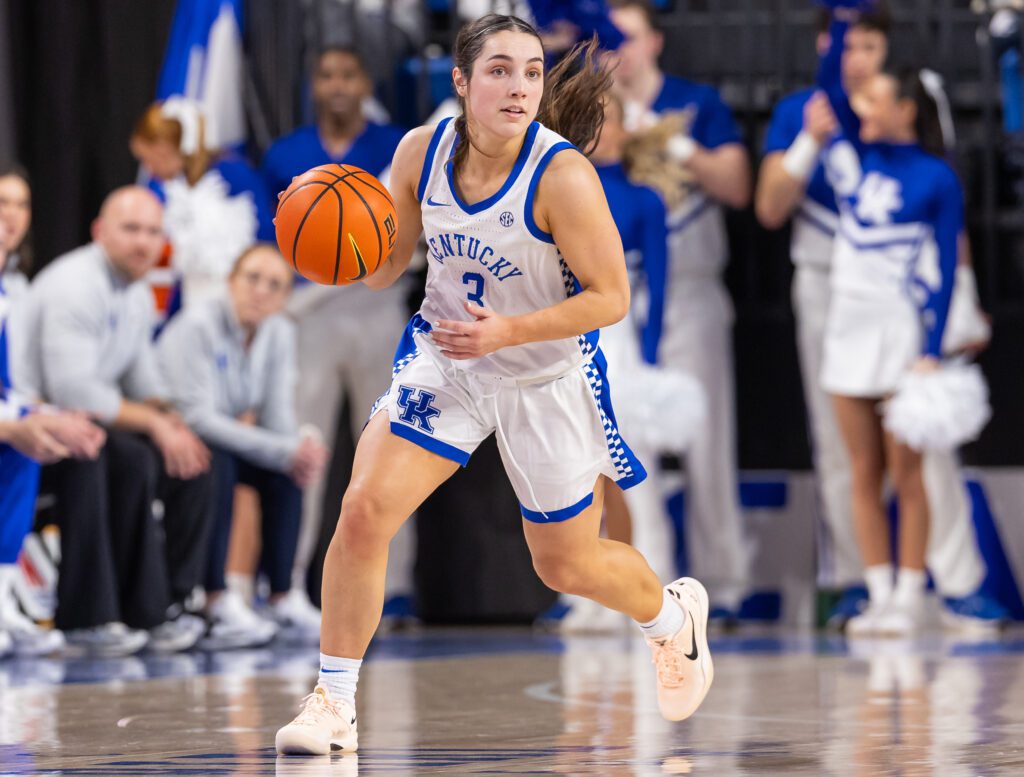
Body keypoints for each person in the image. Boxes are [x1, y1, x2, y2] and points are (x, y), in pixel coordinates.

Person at [275, 14, 713, 755]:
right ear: (462, 81)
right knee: (363, 508)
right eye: (501, 70)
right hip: (447, 360)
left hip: (542, 373)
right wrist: (329, 241)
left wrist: (506, 331)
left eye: (533, 72)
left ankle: (671, 618)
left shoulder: (562, 175)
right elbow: (386, 263)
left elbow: (610, 298)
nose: (519, 87)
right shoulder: (421, 151)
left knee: (564, 563)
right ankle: (333, 701)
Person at [755, 3, 1004, 631]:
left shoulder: (907, 109)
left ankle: (954, 582)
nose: (859, 59)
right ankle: (862, 582)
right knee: (843, 449)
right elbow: (767, 208)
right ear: (827, 46)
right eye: (850, 45)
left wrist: (963, 303)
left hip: (906, 295)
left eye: (871, 47)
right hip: (828, 291)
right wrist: (811, 137)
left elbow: (946, 219)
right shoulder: (802, 114)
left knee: (923, 444)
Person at [814, 1, 965, 636]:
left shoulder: (937, 177)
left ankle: (911, 592)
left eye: (876, 97)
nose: (862, 106)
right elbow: (827, 83)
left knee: (908, 471)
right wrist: (842, 18)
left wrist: (932, 347)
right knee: (861, 470)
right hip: (847, 329)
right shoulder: (853, 154)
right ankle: (879, 592)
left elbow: (949, 270)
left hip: (901, 333)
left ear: (906, 107)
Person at [17, 186, 213, 656]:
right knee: (118, 457)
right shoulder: (75, 285)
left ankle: (170, 605)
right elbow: (73, 391)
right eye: (130, 229)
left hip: (79, 422)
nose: (143, 242)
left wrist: (170, 421)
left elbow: (141, 379)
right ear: (100, 231)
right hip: (31, 427)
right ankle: (91, 617)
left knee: (200, 459)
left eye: (152, 232)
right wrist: (153, 422)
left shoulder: (136, 292)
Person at [607, 0, 752, 621]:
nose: (621, 52)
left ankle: (727, 583)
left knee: (704, 438)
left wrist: (666, 138)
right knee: (619, 449)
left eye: (630, 38)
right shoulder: (592, 114)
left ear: (656, 42)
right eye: (608, 40)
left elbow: (738, 185)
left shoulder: (696, 102)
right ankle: (636, 586)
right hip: (611, 301)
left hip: (689, 289)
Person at [260, 46, 411, 613]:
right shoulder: (286, 153)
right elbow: (269, 242)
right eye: (327, 75)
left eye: (349, 73)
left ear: (365, 81)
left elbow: (406, 238)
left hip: (379, 309)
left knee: (395, 452)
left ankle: (394, 589)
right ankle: (289, 582)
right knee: (306, 447)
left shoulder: (395, 147)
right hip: (310, 316)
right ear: (314, 86)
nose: (338, 84)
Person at [157, 244, 328, 648]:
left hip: (221, 439)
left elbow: (277, 414)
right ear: (231, 282)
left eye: (275, 285)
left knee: (288, 471)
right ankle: (216, 597)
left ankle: (283, 596)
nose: (261, 291)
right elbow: (199, 418)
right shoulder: (197, 325)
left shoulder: (279, 332)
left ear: (286, 297)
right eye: (252, 278)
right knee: (222, 462)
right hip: (172, 438)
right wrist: (282, 449)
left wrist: (296, 449)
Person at [0, 163, 105, 657]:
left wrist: (47, 414)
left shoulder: (15, 290)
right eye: (2, 203)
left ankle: (8, 598)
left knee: (44, 439)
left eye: (20, 204)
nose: (11, 217)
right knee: (22, 440)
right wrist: (16, 423)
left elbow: (11, 386)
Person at [131, 99, 275, 309]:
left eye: (147, 159)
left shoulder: (233, 176)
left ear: (164, 149)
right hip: (196, 313)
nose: (149, 170)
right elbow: (186, 272)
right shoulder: (173, 192)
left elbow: (266, 242)